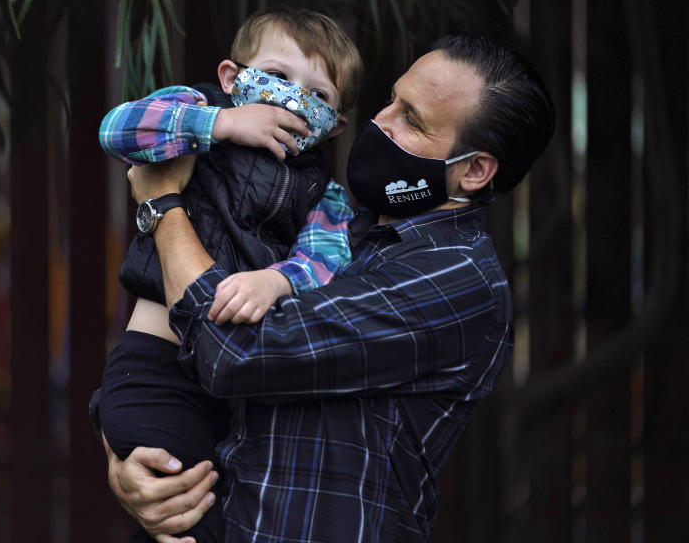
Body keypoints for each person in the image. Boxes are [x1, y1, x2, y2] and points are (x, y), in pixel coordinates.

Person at [106, 33, 556, 543]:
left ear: (473, 170)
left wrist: (163, 204)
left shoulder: (455, 279)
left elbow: (233, 353)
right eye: (391, 100)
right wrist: (133, 460)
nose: (380, 122)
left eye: (411, 119)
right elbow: (172, 359)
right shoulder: (332, 227)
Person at [91, 7, 365, 543]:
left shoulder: (321, 190)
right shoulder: (196, 115)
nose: (294, 97)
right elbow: (117, 129)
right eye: (280, 77)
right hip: (157, 372)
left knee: (225, 514)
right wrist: (219, 122)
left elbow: (325, 260)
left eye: (320, 95)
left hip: (235, 398)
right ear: (232, 78)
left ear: (335, 125)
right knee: (191, 511)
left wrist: (277, 281)